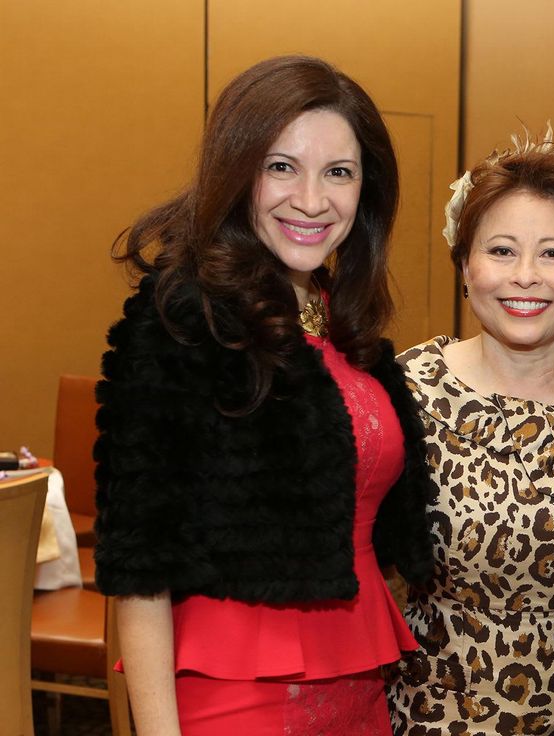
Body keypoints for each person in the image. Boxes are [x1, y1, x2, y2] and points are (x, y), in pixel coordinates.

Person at [93, 55, 434, 736]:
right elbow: (139, 565)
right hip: (233, 696)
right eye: (281, 166)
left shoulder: (345, 322)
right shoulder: (180, 318)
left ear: (366, 189)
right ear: (236, 171)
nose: (311, 200)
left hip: (360, 688)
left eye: (338, 172)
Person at [387, 126, 554, 736]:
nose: (525, 275)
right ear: (465, 265)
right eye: (501, 250)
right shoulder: (406, 390)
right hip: (428, 712)